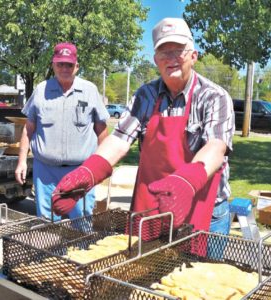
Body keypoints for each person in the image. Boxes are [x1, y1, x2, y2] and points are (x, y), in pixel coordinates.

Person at [52, 18, 235, 237]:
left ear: (193, 56)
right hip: (153, 207)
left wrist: (186, 181)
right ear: (155, 60)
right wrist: (88, 172)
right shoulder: (144, 96)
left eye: (179, 50)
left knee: (201, 271)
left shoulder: (214, 97)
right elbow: (119, 139)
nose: (171, 59)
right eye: (164, 52)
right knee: (147, 270)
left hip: (204, 207)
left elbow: (216, 147)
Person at [15, 42, 110, 221]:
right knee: (46, 221)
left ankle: (82, 249)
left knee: (82, 220)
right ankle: (51, 250)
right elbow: (28, 129)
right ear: (53, 65)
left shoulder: (90, 90)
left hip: (80, 170)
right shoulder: (41, 90)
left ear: (77, 66)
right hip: (45, 172)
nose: (65, 68)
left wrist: (101, 166)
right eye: (60, 64)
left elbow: (102, 131)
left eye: (69, 64)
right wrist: (22, 162)